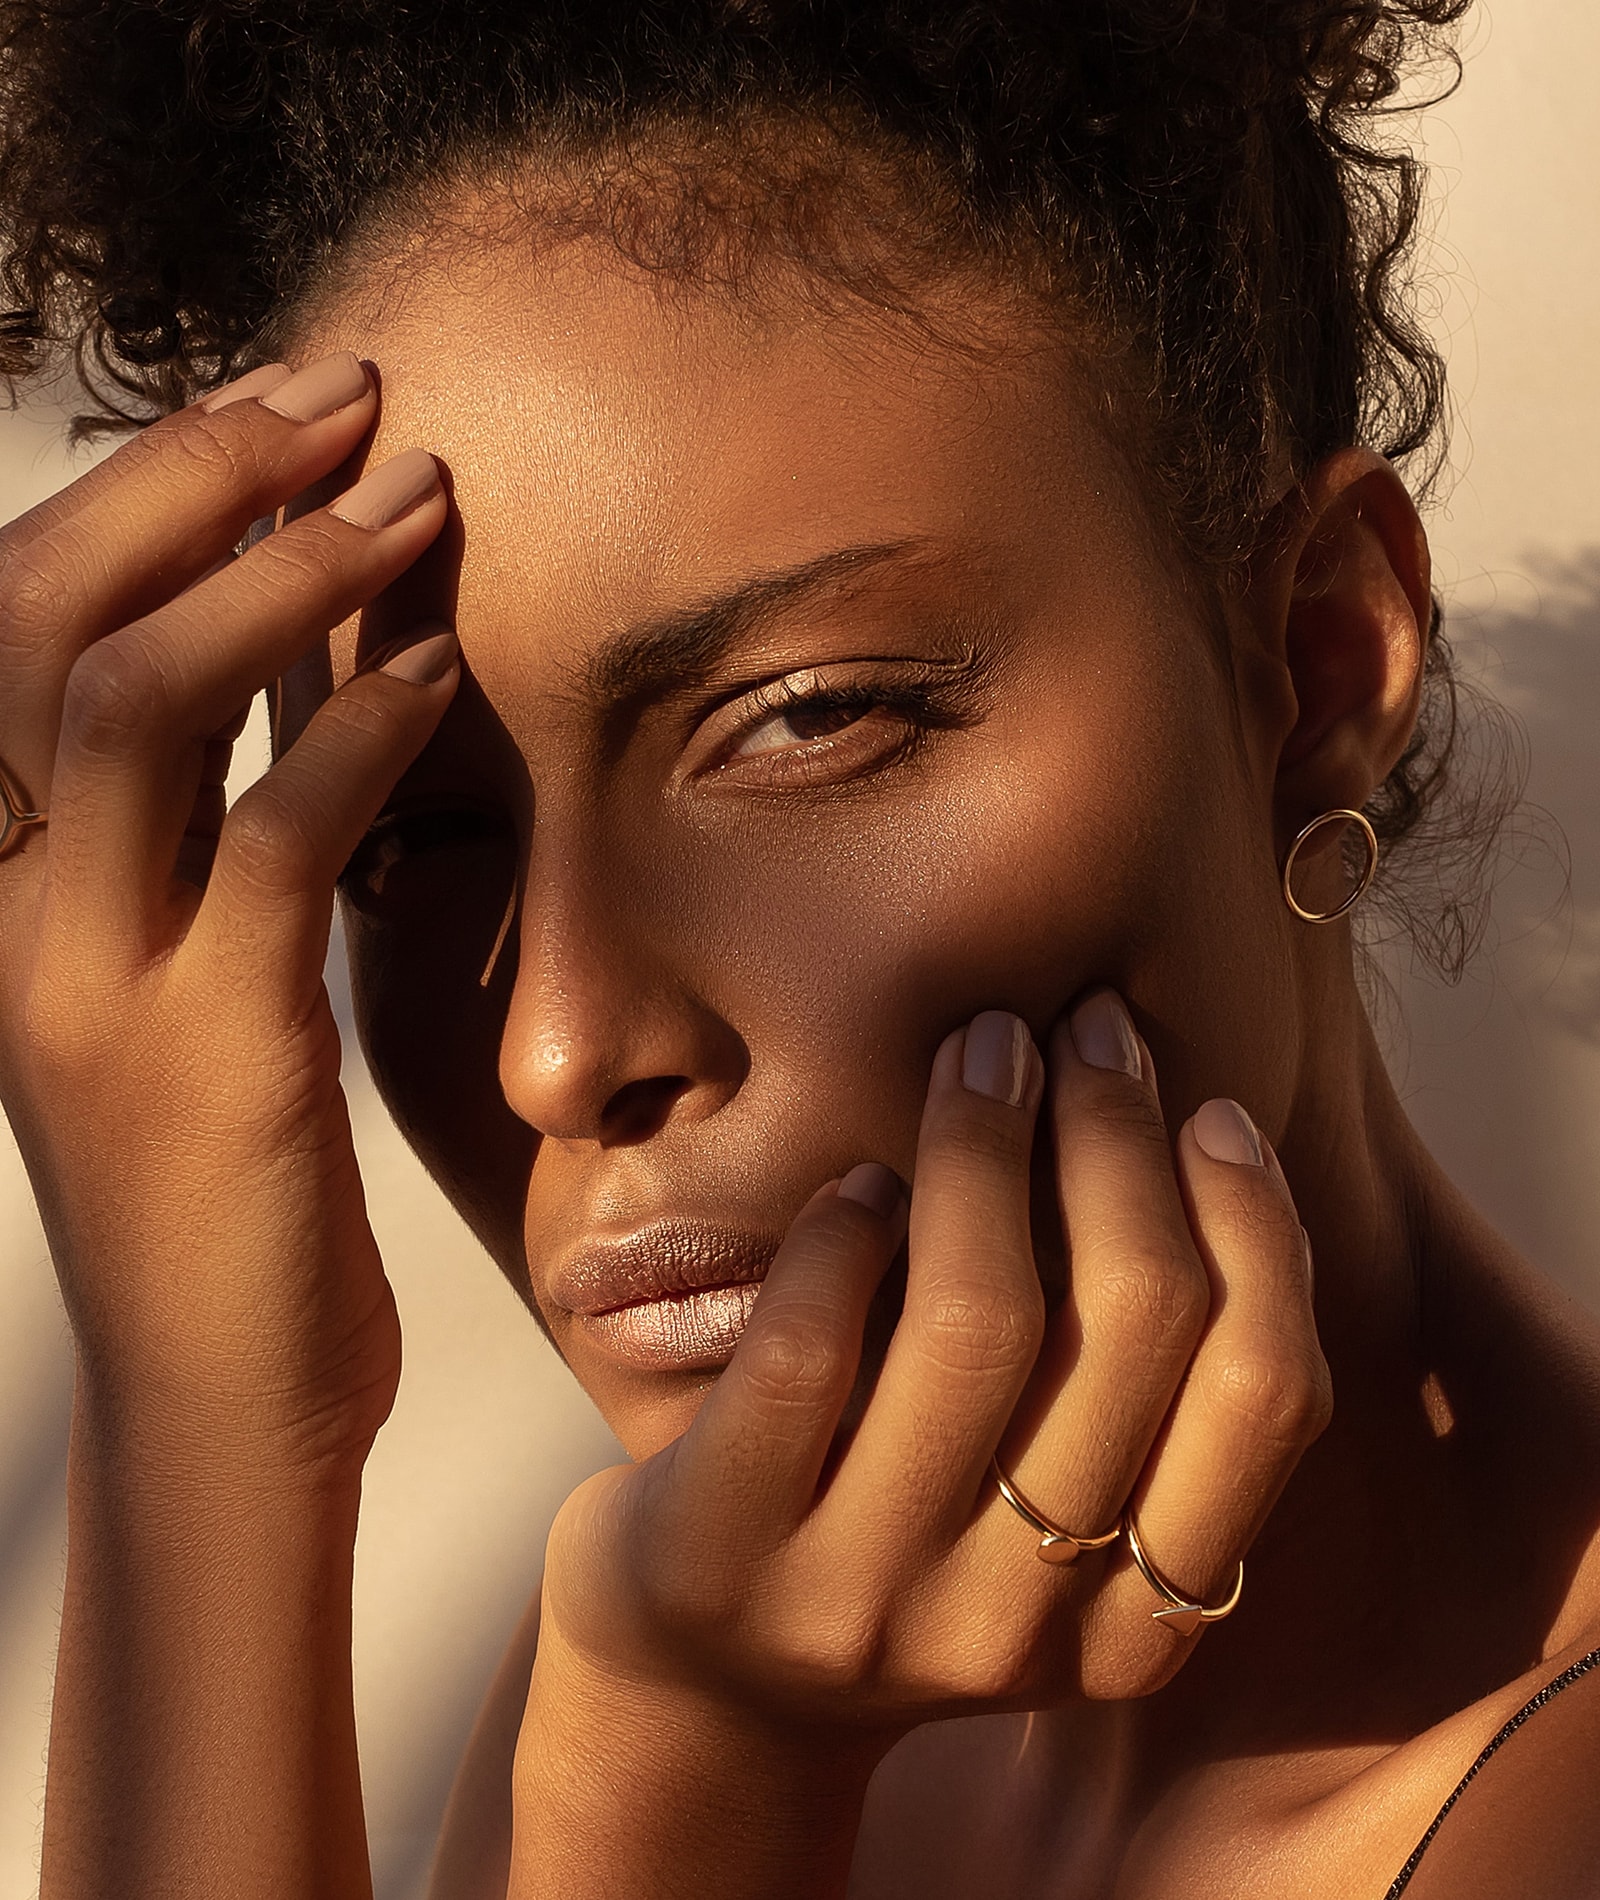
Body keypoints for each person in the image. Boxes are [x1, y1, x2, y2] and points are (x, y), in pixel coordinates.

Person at [1, 2, 1597, 1895]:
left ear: (1320, 665)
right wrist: (201, 1405)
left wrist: (673, 1812)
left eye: (809, 717)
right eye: (410, 836)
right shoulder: (678, 1633)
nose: (558, 1050)